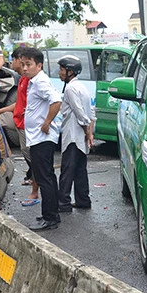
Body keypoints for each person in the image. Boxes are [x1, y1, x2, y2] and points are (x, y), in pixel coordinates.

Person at [19, 47, 62, 231]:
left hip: (42, 137)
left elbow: (56, 101)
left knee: (44, 178)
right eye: (22, 64)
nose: (25, 68)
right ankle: (52, 213)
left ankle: (49, 217)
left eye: (28, 64)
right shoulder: (34, 81)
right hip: (38, 137)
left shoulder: (41, 81)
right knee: (48, 177)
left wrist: (47, 122)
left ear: (39, 65)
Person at [0, 47, 39, 206]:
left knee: (34, 160)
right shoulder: (22, 80)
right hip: (19, 121)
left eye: (13, 60)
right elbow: (18, 104)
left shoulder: (32, 81)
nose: (11, 63)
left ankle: (35, 192)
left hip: (26, 125)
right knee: (29, 156)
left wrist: (44, 123)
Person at [56, 55, 95, 212]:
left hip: (72, 136)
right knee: (79, 170)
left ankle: (63, 203)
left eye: (61, 69)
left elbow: (81, 114)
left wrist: (87, 132)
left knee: (67, 170)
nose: (59, 72)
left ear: (70, 71)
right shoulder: (82, 87)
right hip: (78, 136)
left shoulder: (71, 89)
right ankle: (83, 199)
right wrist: (89, 133)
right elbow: (91, 113)